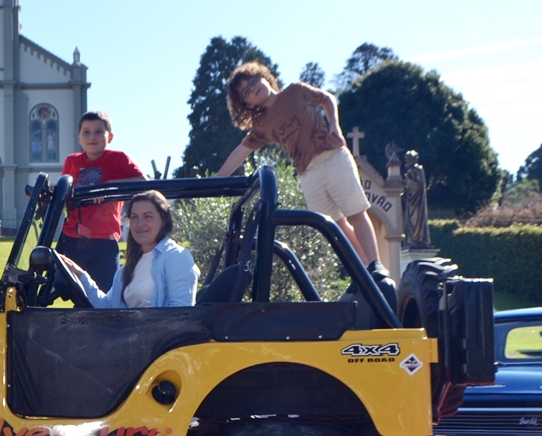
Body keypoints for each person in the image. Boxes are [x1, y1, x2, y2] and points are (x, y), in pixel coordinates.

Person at [216, 62, 380, 267]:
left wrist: (334, 124)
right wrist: (217, 180)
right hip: (307, 173)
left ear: (264, 77)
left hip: (332, 157)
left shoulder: (295, 90)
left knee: (356, 213)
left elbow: (327, 98)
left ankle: (375, 267)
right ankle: (364, 272)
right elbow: (241, 151)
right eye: (247, 91)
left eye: (254, 81)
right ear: (247, 105)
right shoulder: (262, 125)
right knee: (334, 227)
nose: (254, 88)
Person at [62, 190, 197, 309]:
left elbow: (181, 315)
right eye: (134, 217)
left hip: (156, 331)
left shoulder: (176, 257)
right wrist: (79, 274)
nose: (139, 224)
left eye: (148, 216)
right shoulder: (127, 268)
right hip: (126, 329)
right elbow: (107, 307)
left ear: (164, 220)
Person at [58, 111, 145, 289]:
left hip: (105, 239)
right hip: (73, 237)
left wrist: (109, 186)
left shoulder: (118, 159)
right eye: (86, 132)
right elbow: (64, 193)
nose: (92, 137)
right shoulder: (72, 161)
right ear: (79, 137)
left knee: (107, 291)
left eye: (98, 132)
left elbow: (143, 182)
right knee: (67, 288)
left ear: (110, 137)